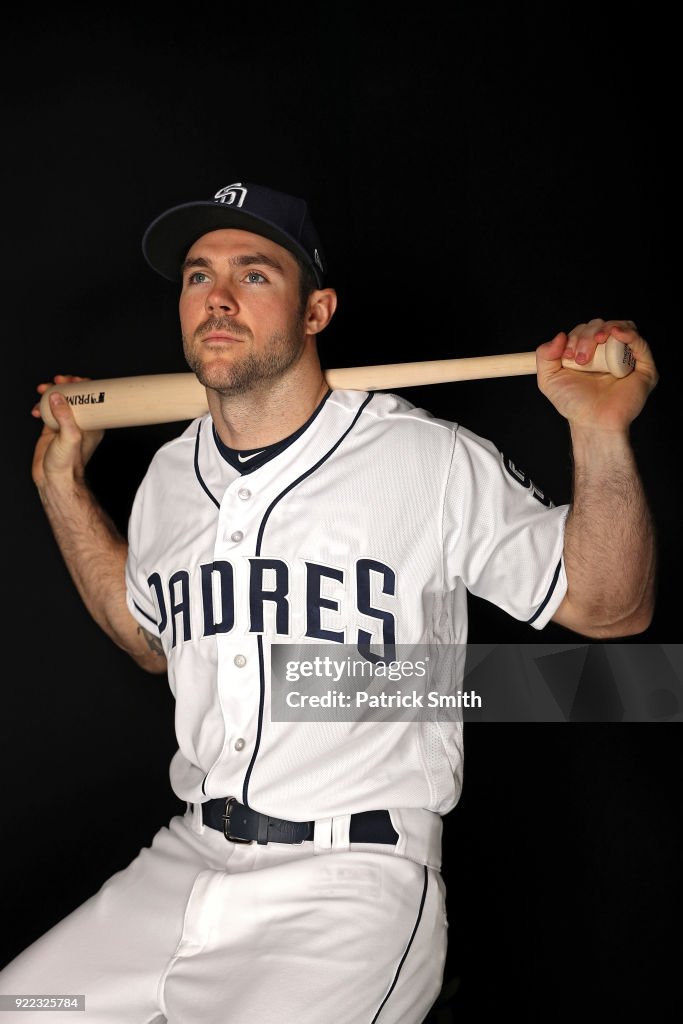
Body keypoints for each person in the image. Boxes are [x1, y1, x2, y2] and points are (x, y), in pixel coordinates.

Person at [1, 180, 657, 1023]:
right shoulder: (169, 475)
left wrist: (598, 434)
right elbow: (153, 640)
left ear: (318, 311)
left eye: (256, 274)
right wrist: (62, 485)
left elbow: (610, 607)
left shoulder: (426, 459)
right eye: (198, 277)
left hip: (346, 889)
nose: (220, 297)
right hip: (185, 859)